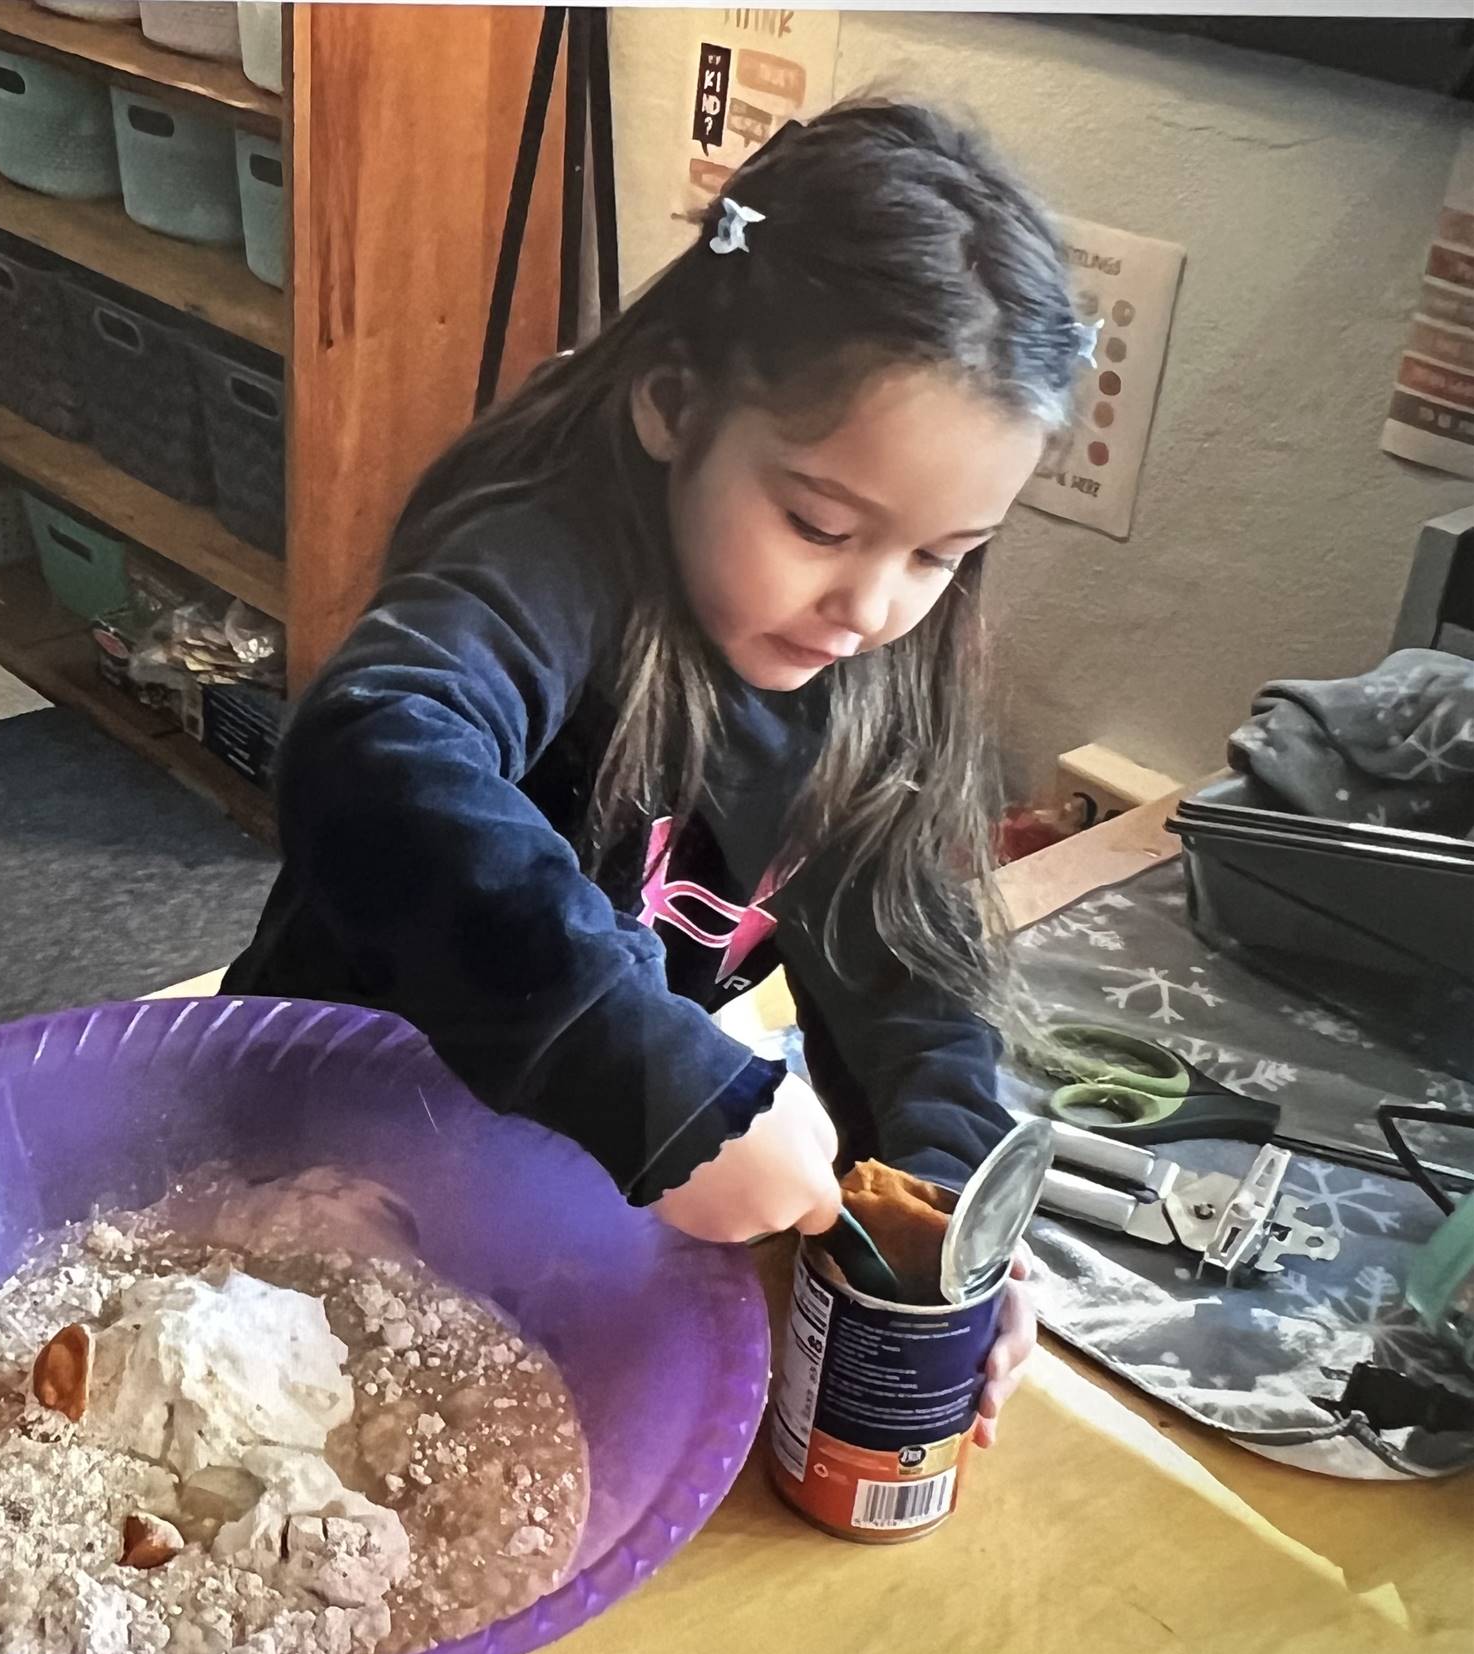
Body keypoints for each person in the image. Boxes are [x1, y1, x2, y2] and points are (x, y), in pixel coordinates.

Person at [228, 98, 1089, 1444]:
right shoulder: (545, 562)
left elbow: (908, 975)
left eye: (938, 556)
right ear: (674, 404)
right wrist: (653, 1077)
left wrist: (937, 1217)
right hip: (328, 1151)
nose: (868, 606)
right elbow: (373, 748)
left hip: (575, 1202)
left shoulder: (864, 671)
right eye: (817, 522)